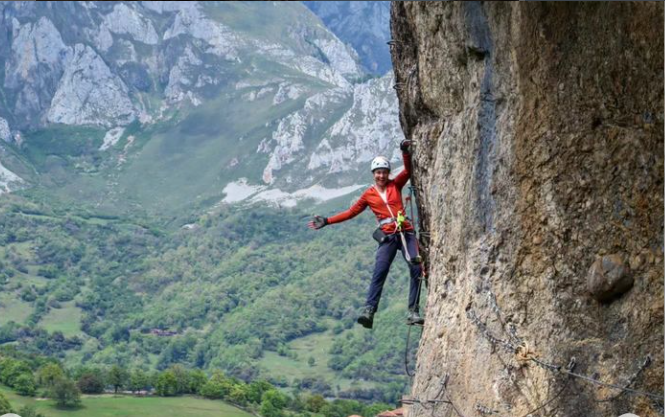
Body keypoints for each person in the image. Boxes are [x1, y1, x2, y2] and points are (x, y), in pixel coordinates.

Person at [308, 140, 424, 329]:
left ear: (388, 173)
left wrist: (404, 152)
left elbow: (408, 170)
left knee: (416, 268)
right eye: (378, 172)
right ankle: (369, 311)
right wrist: (328, 221)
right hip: (387, 237)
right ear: (373, 174)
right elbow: (351, 212)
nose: (381, 175)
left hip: (405, 232)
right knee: (379, 272)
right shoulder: (368, 195)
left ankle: (413, 311)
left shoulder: (396, 185)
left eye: (384, 172)